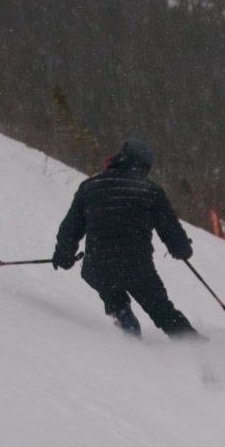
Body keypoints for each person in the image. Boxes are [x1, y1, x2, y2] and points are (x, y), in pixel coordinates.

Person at [52, 138, 199, 339]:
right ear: (142, 167)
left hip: (97, 266)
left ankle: (122, 317)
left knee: (107, 283)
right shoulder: (151, 192)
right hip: (137, 267)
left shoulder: (90, 187)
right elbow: (170, 228)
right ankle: (195, 348)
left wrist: (64, 255)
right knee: (162, 310)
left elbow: (70, 228)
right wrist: (181, 249)